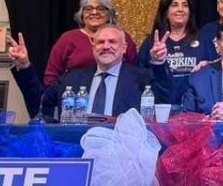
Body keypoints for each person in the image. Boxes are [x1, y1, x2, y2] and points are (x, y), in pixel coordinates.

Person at [10, 25, 170, 119]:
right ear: (93, 48)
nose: (106, 46)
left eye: (112, 42)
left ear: (124, 48)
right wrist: (24, 67)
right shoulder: (72, 78)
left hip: (122, 153)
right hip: (77, 149)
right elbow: (39, 104)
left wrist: (158, 63)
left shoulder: (142, 78)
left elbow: (166, 98)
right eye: (100, 42)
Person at [44, 0, 139, 87]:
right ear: (82, 14)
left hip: (115, 92)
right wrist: (62, 94)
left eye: (100, 9)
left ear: (109, 14)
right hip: (74, 93)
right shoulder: (67, 38)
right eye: (88, 9)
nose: (94, 13)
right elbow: (51, 76)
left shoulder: (122, 37)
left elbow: (134, 71)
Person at [138, 0, 200, 105]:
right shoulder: (151, 43)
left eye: (185, 5)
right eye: (174, 5)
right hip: (159, 106)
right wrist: (156, 61)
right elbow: (140, 77)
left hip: (194, 108)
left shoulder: (202, 40)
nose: (180, 9)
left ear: (190, 13)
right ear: (166, 12)